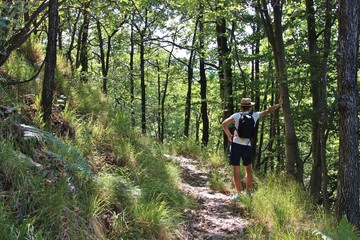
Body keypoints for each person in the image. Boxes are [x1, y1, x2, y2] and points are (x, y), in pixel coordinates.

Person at [222, 97, 283, 200]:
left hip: (236, 144)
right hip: (247, 146)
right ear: (250, 107)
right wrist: (279, 105)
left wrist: (229, 136)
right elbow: (268, 110)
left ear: (241, 106)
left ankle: (238, 194)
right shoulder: (254, 115)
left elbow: (224, 124)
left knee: (236, 170)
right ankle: (248, 193)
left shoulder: (237, 115)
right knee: (248, 170)